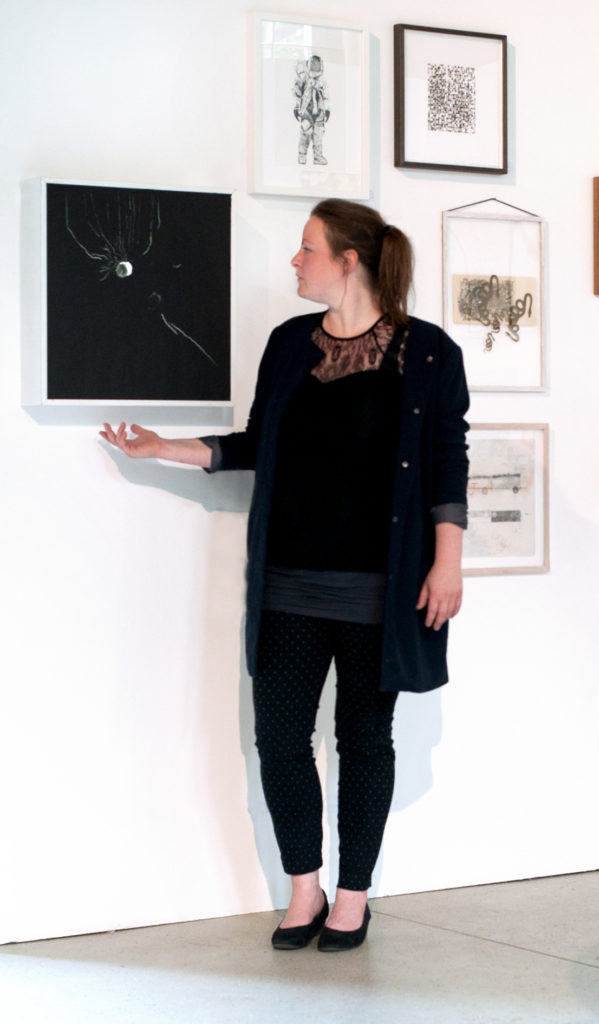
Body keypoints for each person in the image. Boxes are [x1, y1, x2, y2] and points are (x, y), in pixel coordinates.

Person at [100, 198, 469, 952]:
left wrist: (448, 561)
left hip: (378, 591)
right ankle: (305, 889)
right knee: (279, 738)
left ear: (349, 260)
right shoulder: (289, 344)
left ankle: (354, 896)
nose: (296, 262)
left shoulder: (428, 351)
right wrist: (163, 448)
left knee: (364, 741)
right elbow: (255, 443)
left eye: (307, 249)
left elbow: (445, 462)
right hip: (289, 585)